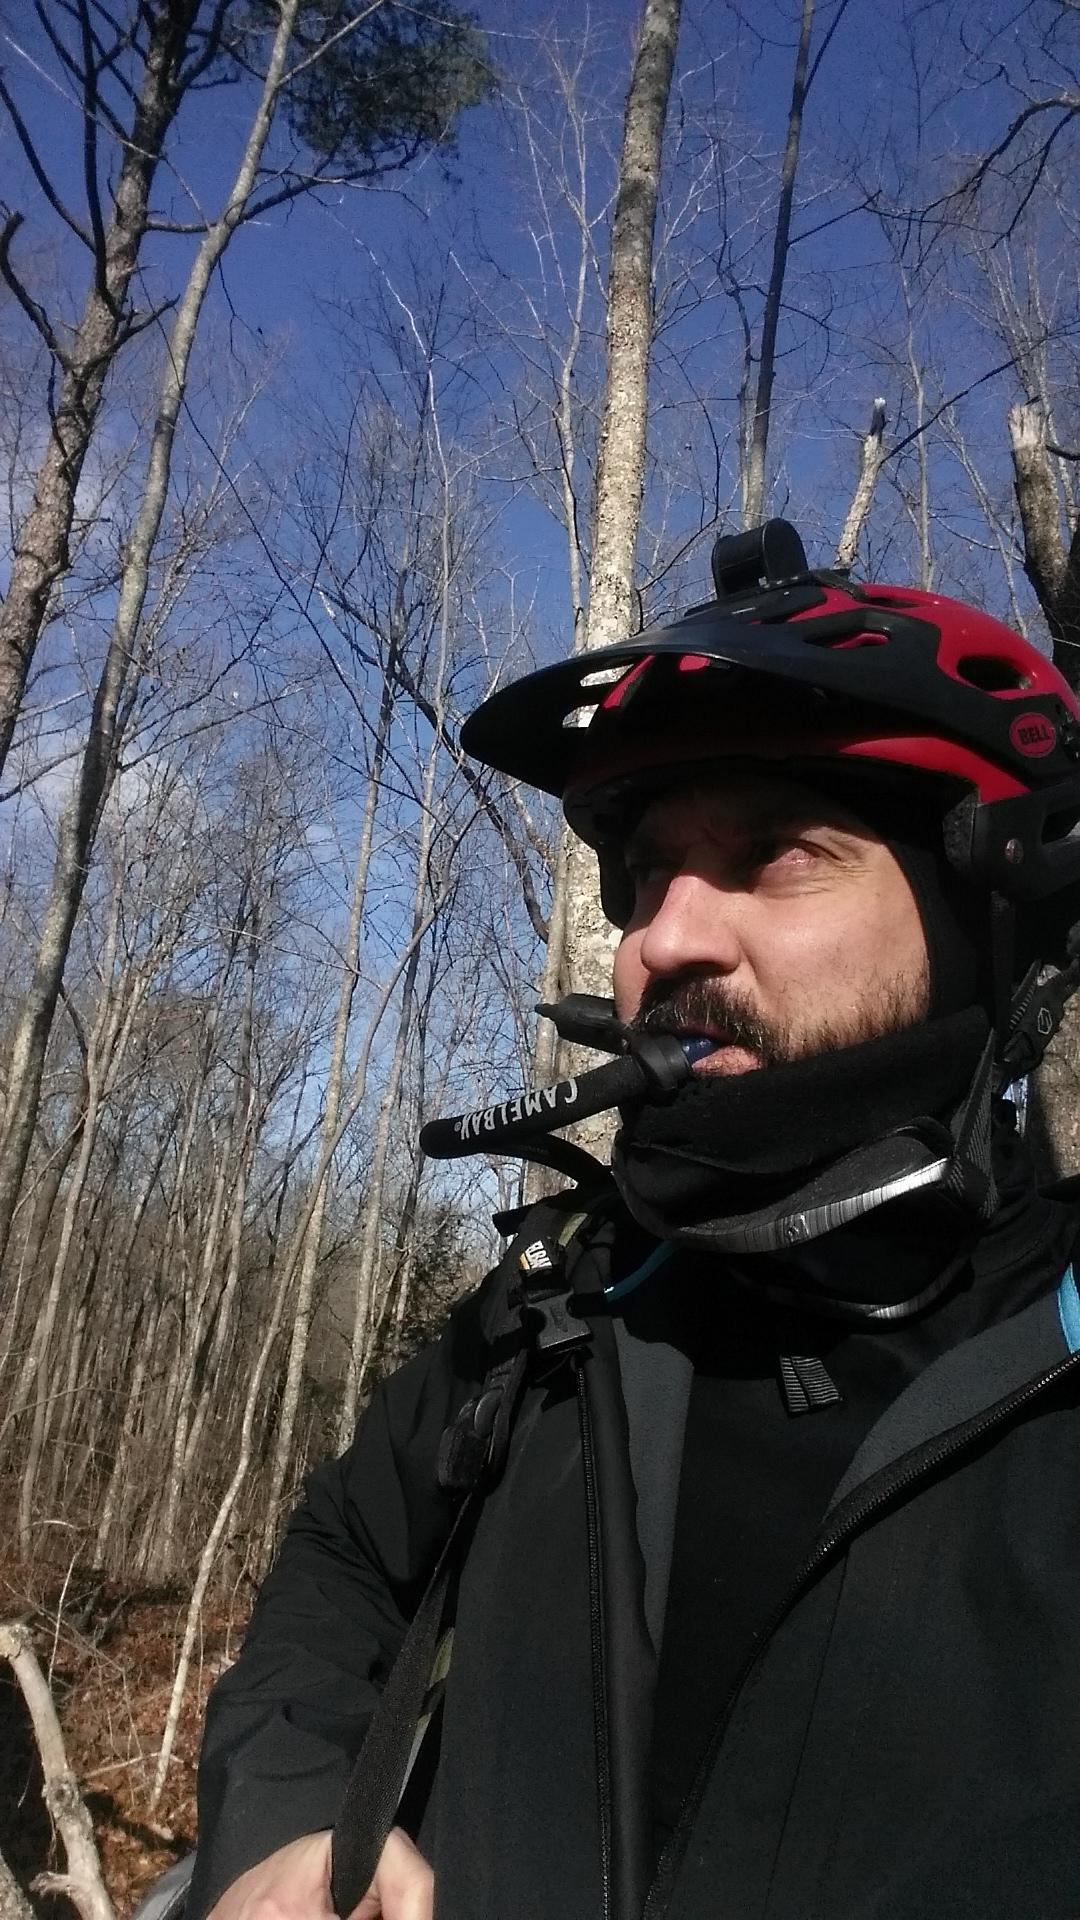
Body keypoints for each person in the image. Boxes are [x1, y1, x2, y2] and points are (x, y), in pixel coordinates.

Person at [188, 521, 1080, 1920]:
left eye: (779, 852)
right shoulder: (562, 1303)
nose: (664, 941)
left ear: (996, 913)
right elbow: (346, 1555)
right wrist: (289, 1818)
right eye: (648, 875)